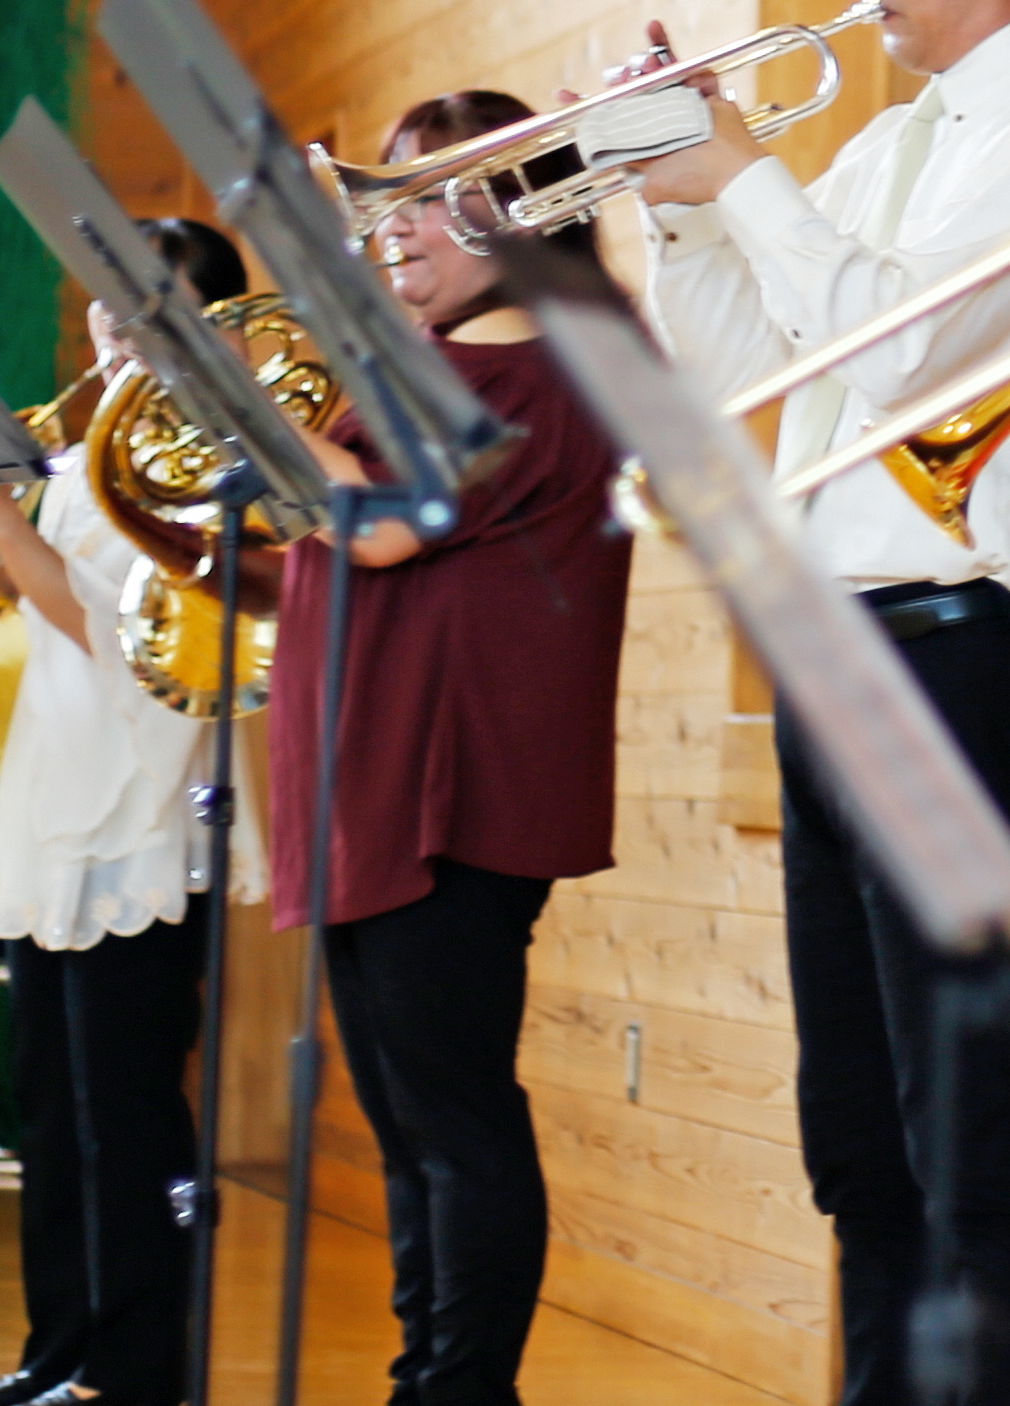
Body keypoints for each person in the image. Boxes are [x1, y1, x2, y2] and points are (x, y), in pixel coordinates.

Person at [632, 0, 1010, 1406]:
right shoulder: (891, 142)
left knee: (969, 1137)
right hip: (839, 652)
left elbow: (906, 345)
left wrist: (747, 182)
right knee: (859, 1139)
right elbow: (737, 366)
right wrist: (678, 210)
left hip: (960, 657)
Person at [271, 95, 635, 1406]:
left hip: (450, 791)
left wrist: (233, 408)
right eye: (384, 205)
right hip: (366, 780)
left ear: (523, 211)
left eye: (423, 201)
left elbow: (379, 525)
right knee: (412, 1128)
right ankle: (426, 1375)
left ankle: (461, 1388)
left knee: (453, 1121)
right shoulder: (439, 368)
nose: (394, 232)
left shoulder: (541, 364)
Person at [0, 217, 270, 1406]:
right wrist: (3, 524)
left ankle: (136, 1375)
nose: (111, 324)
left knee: (125, 1115)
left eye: (145, 304)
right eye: (105, 301)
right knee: (52, 1103)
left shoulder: (200, 446)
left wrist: (4, 516)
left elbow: (120, 630)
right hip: (54, 792)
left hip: (139, 808)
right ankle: (58, 1356)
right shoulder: (92, 448)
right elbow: (40, 606)